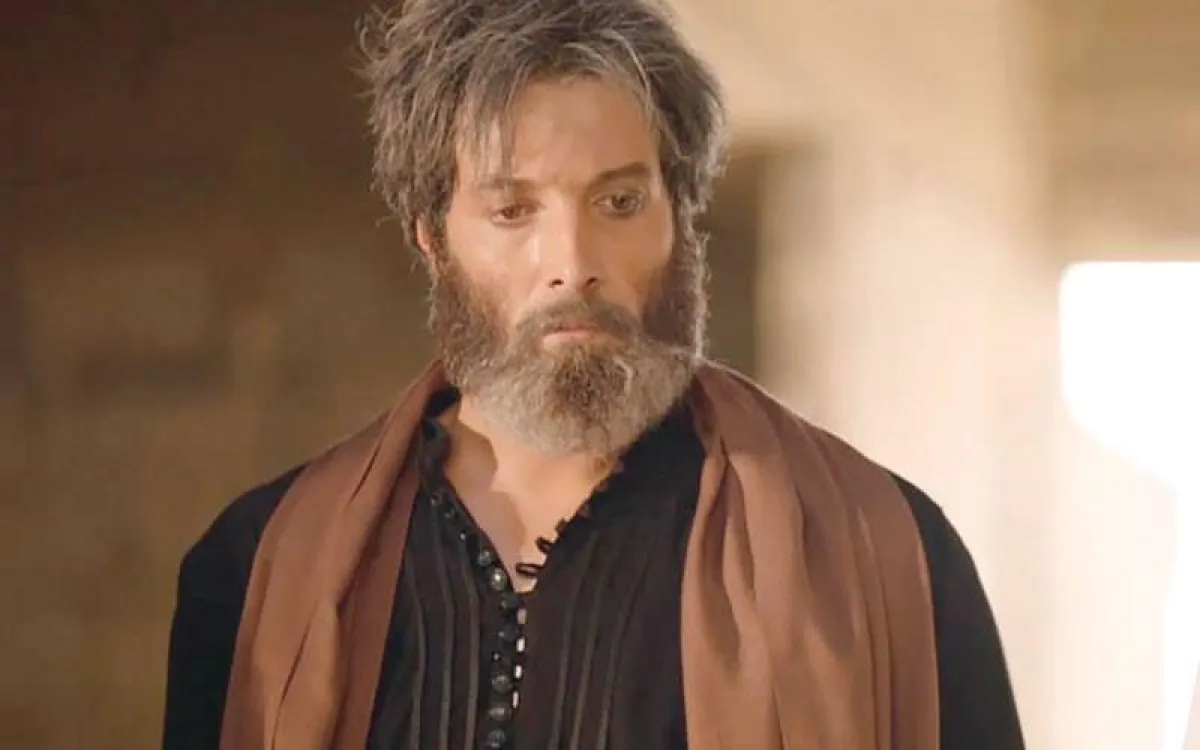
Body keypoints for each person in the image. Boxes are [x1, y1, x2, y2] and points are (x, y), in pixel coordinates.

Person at [162, 1, 1025, 748]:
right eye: (513, 210)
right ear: (432, 240)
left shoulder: (887, 556)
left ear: (680, 217)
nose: (572, 265)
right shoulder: (257, 572)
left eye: (619, 203)